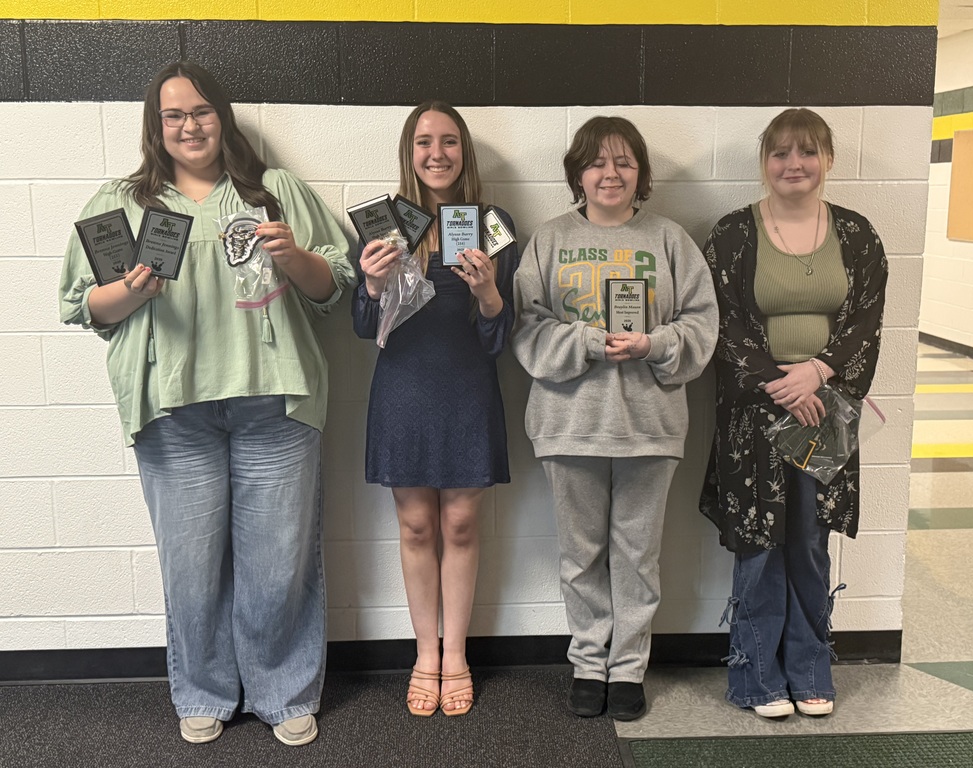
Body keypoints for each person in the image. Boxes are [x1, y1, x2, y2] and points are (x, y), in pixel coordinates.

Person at [59, 61, 354, 746]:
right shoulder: (121, 203)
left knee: (278, 566)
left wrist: (294, 257)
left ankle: (283, 690)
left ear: (221, 117)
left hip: (274, 404)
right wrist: (132, 290)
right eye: (174, 115)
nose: (189, 126)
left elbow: (333, 289)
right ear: (156, 126)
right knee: (191, 571)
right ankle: (204, 690)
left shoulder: (274, 192)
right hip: (173, 410)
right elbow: (86, 308)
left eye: (201, 111)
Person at [511, 116, 718, 721]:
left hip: (650, 427)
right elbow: (525, 327)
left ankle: (627, 668)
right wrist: (586, 341)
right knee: (579, 555)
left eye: (624, 162)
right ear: (577, 173)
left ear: (641, 174)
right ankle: (587, 662)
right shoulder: (549, 240)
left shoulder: (670, 240)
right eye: (597, 162)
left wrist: (654, 344)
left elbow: (703, 323)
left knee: (637, 556)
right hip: (569, 423)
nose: (610, 173)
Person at [699, 108, 888, 719]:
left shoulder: (857, 235)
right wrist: (783, 383)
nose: (794, 164)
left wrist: (818, 373)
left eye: (807, 151)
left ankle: (810, 670)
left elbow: (866, 322)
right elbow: (722, 322)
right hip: (756, 412)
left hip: (825, 410)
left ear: (828, 159)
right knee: (759, 543)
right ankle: (756, 677)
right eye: (780, 152)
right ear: (765, 162)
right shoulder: (732, 234)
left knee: (808, 540)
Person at [351, 101, 519, 717]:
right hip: (403, 391)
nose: (437, 153)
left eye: (449, 141)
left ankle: (457, 657)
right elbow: (363, 327)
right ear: (409, 152)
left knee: (462, 526)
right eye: (424, 142)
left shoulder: (493, 224)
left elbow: (500, 338)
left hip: (468, 390)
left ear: (464, 151)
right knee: (417, 526)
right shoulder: (384, 224)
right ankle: (426, 655)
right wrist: (372, 286)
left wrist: (489, 293)